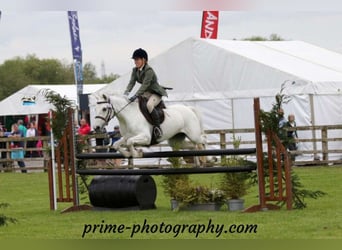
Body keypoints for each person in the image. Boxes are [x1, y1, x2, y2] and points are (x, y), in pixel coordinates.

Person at [124, 48, 168, 139]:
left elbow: (145, 85)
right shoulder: (135, 70)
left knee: (149, 105)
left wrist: (136, 94)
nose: (135, 62)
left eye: (137, 59)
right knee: (136, 103)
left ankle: (157, 128)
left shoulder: (149, 71)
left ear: (143, 60)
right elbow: (131, 82)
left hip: (156, 93)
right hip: (146, 93)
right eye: (135, 60)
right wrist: (126, 93)